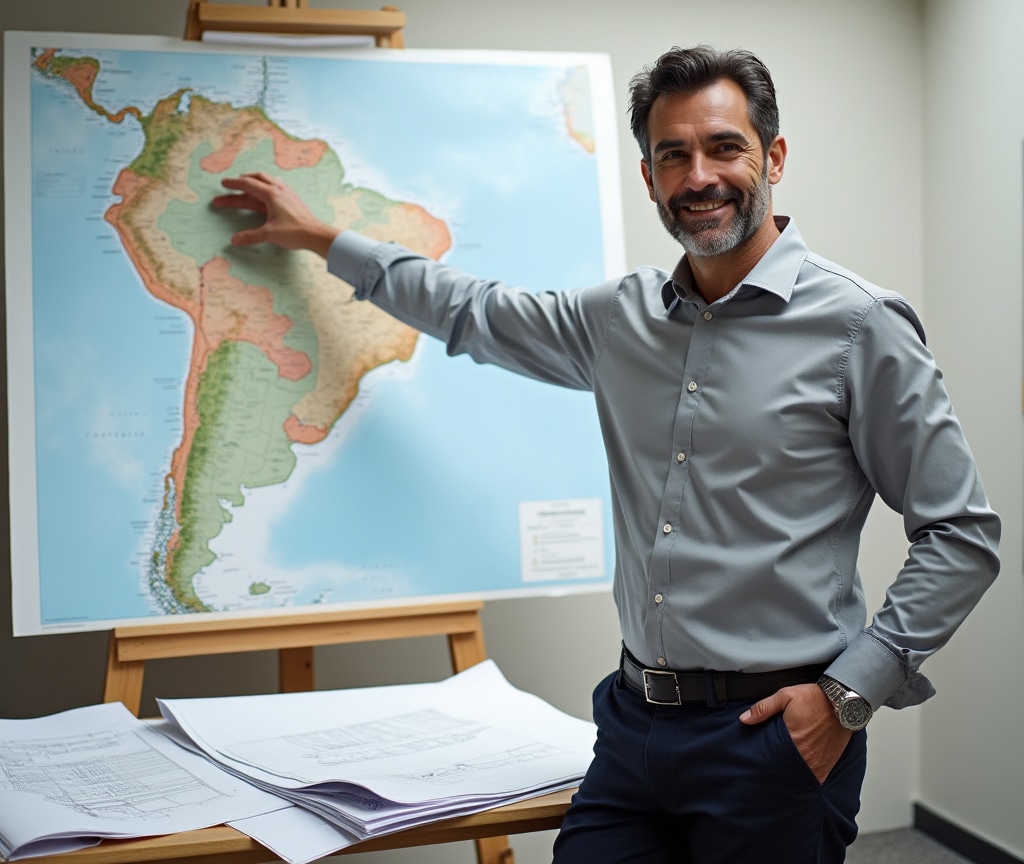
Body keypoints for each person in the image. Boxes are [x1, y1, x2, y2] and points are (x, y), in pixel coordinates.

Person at [212, 45, 1000, 863]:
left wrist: (847, 697)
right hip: (631, 729)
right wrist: (323, 238)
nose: (699, 175)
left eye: (724, 147)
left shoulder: (860, 326)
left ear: (774, 156)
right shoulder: (621, 321)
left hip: (775, 735)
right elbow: (473, 311)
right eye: (673, 155)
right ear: (649, 175)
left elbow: (960, 534)